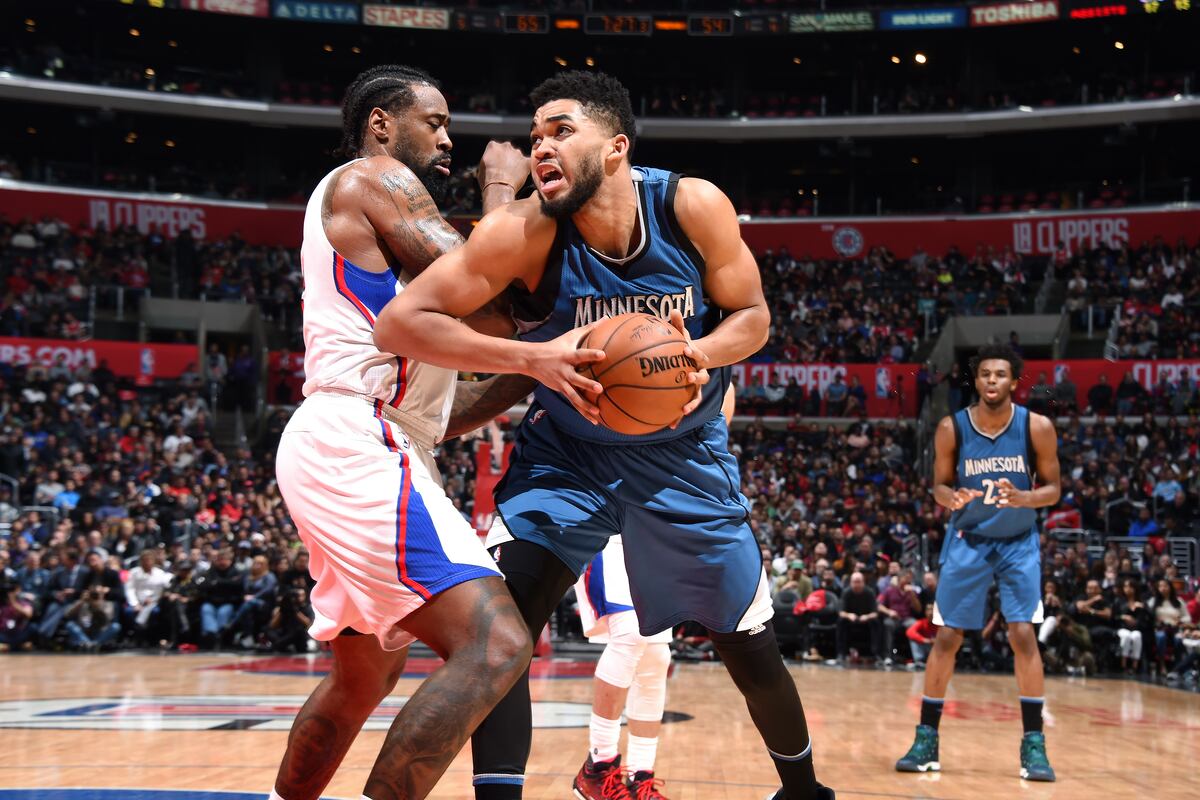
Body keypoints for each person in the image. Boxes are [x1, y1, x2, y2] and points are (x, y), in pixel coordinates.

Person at [374, 71, 833, 800]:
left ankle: (804, 792)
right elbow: (400, 323)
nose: (541, 147)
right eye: (534, 137)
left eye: (561, 131)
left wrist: (696, 355)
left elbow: (753, 316)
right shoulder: (522, 231)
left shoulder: (690, 205)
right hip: (567, 457)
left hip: (683, 455)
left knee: (747, 645)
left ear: (616, 147)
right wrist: (532, 358)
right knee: (501, 636)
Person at [268, 65, 535, 800]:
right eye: (435, 122)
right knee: (496, 643)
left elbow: (448, 414)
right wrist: (501, 191)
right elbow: (488, 298)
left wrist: (542, 367)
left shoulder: (389, 234)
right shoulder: (372, 176)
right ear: (381, 123)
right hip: (357, 438)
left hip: (369, 437)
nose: (448, 139)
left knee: (362, 677)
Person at [896, 343, 1060, 782]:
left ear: (1014, 381)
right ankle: (926, 739)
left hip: (1018, 542)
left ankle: (1034, 744)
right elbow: (938, 485)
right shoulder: (952, 427)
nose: (992, 380)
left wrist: (1026, 497)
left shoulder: (1037, 426)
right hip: (968, 540)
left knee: (1023, 634)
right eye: (985, 373)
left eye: (1000, 374)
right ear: (977, 379)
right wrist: (951, 497)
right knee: (947, 636)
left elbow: (1054, 489)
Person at [573, 385, 734, 800]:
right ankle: (598, 766)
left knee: (656, 657)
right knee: (630, 635)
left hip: (652, 532)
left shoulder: (684, 387)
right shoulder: (621, 382)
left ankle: (640, 777)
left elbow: (724, 397)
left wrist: (706, 394)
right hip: (605, 522)